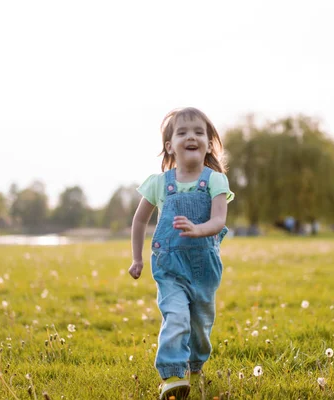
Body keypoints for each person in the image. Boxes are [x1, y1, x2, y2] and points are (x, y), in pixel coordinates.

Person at [128, 107, 234, 399]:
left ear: (209, 143)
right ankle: (173, 376)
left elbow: (219, 220)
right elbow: (139, 220)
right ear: (169, 145)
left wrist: (198, 229)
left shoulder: (215, 181)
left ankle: (195, 366)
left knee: (200, 326)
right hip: (170, 267)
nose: (192, 137)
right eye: (183, 132)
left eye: (199, 132)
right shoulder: (159, 183)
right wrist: (137, 258)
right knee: (175, 318)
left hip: (203, 269)